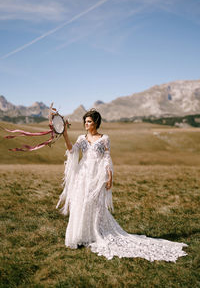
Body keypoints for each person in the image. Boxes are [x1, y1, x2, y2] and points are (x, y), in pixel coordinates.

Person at [56, 109, 187, 261]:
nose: (86, 124)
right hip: (83, 175)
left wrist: (109, 176)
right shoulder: (81, 138)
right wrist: (65, 133)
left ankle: (94, 233)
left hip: (97, 176)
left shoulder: (104, 138)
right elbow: (72, 150)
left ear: (96, 123)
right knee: (81, 203)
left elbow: (106, 158)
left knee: (95, 205)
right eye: (85, 121)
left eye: (89, 121)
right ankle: (79, 236)